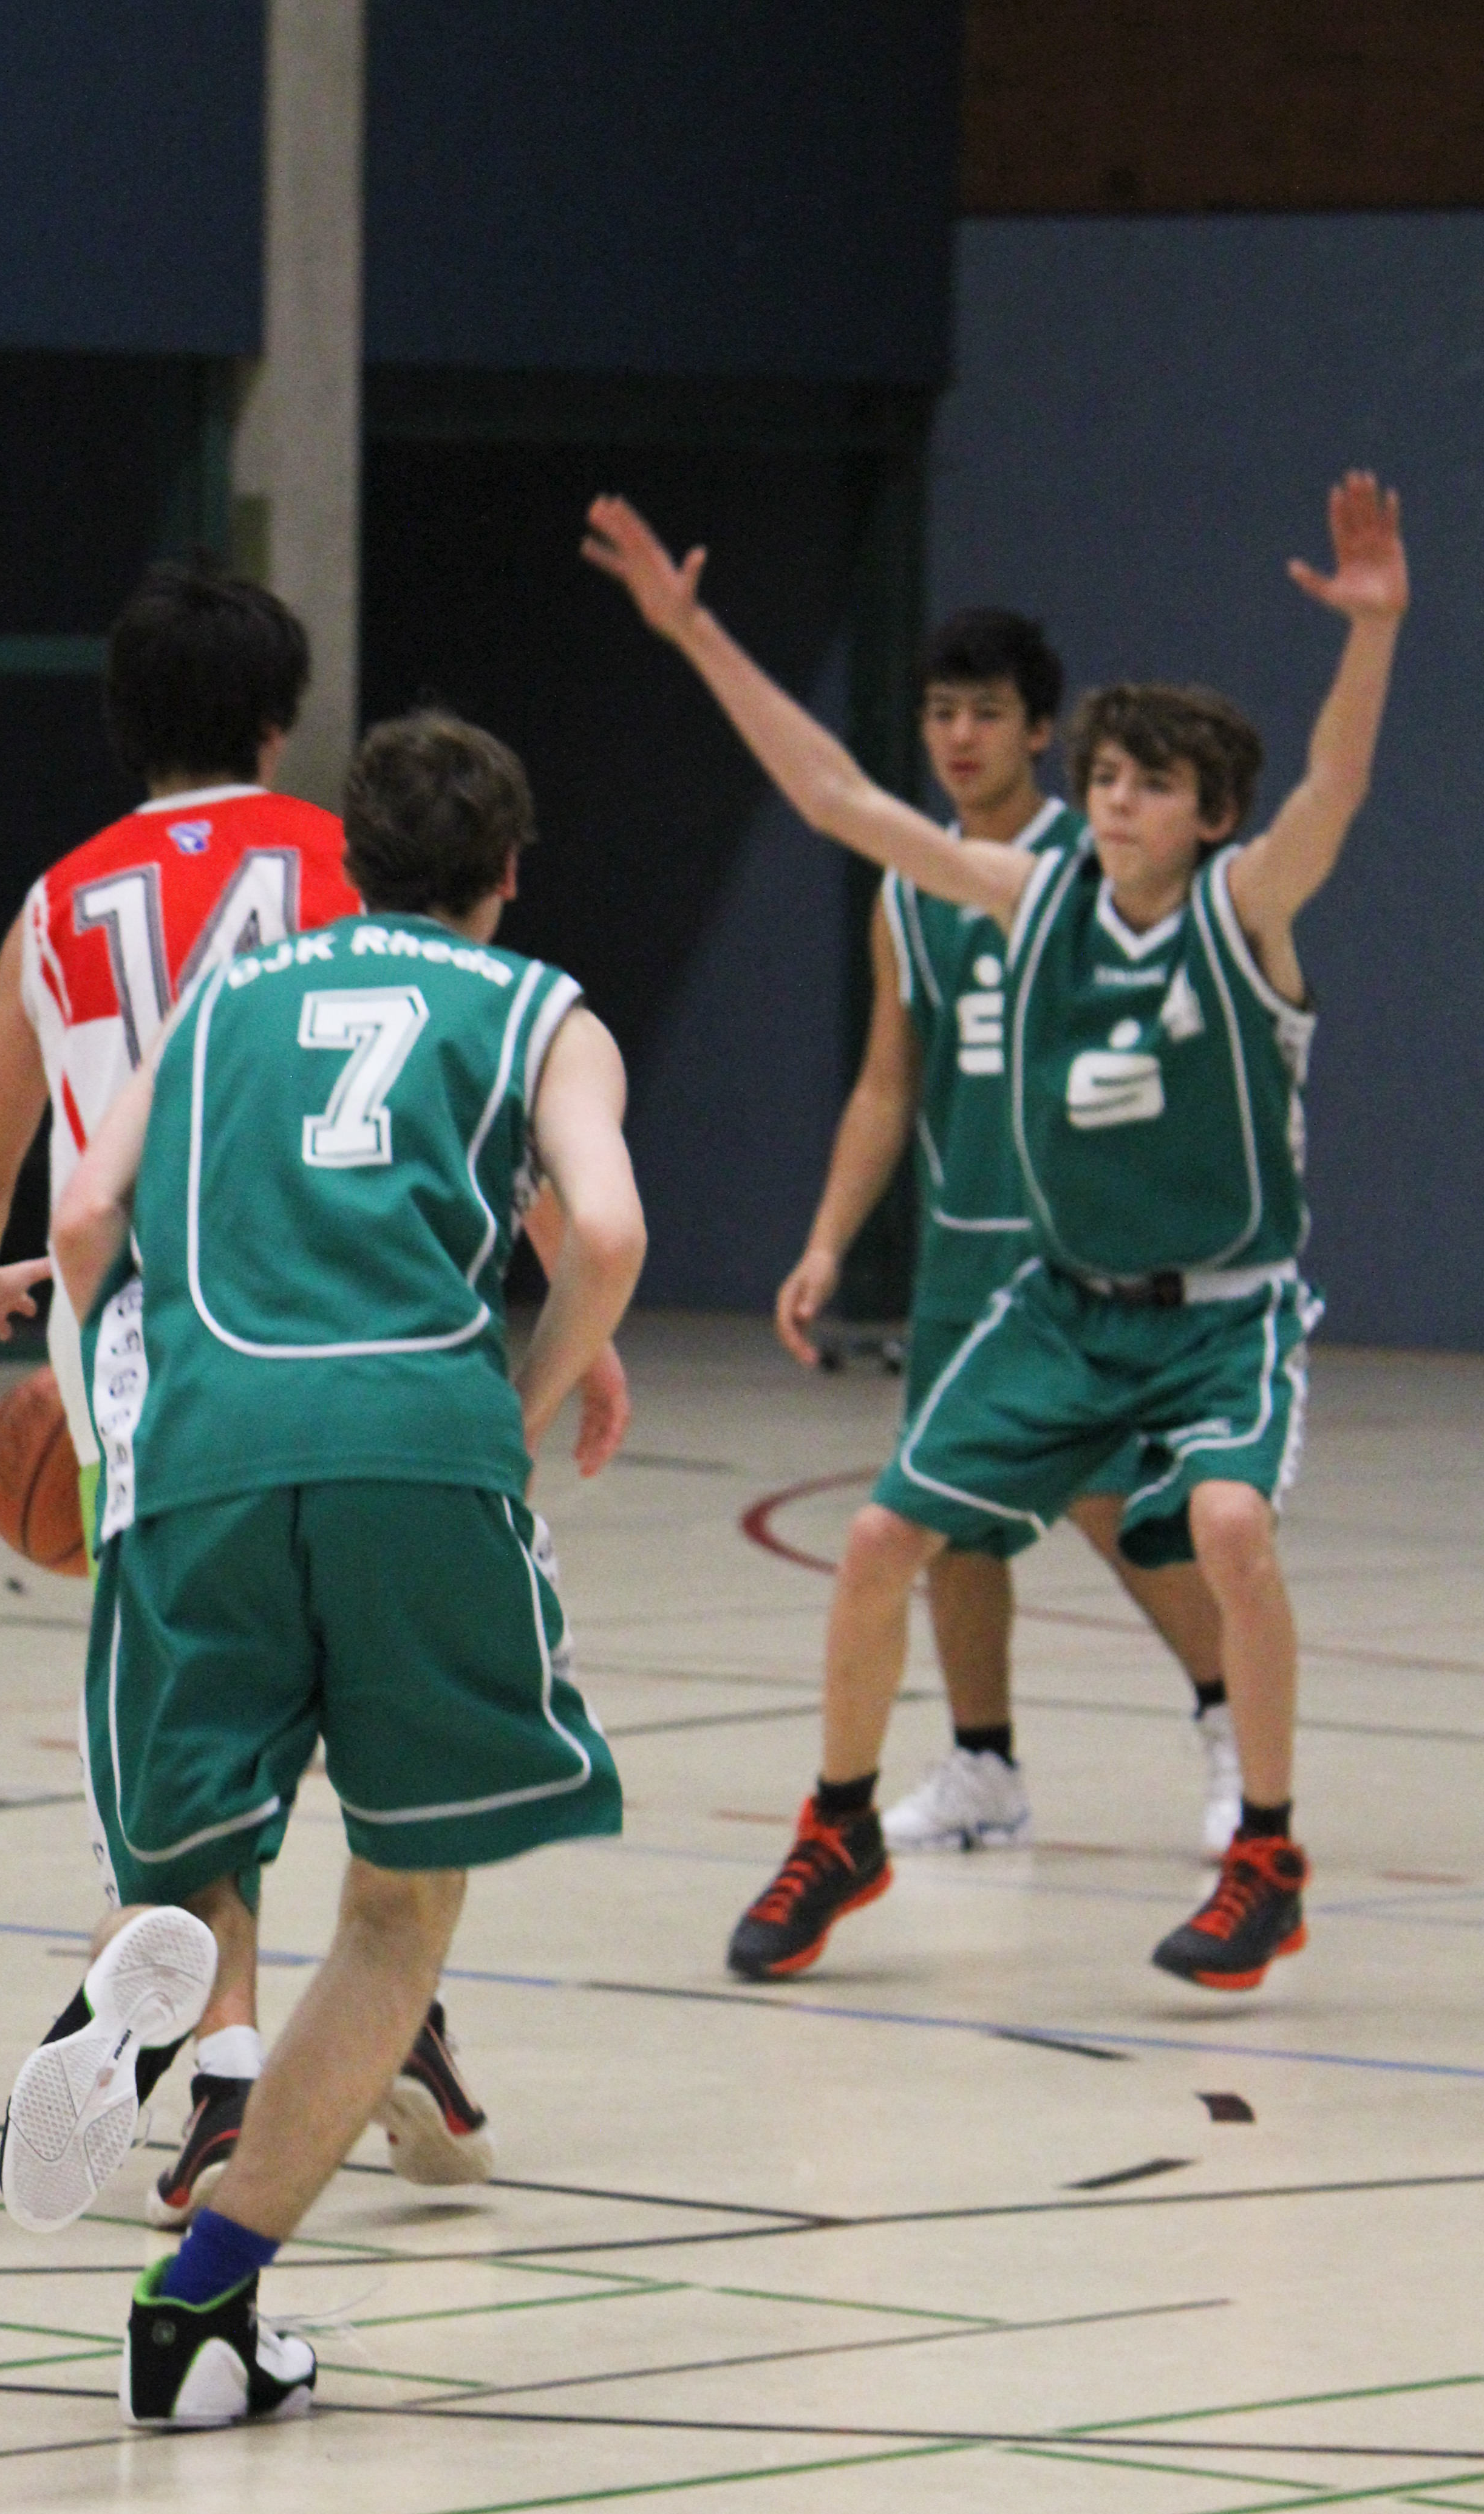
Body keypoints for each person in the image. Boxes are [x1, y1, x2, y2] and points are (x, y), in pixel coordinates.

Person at [584, 472, 1406, 1989]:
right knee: (881, 1536)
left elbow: (1337, 790)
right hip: (1066, 1304)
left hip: (1224, 1311)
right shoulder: (1031, 898)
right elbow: (840, 799)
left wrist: (1372, 632)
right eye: (1109, 777)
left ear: (1214, 815)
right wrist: (695, 635)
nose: (1118, 801)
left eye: (1153, 785)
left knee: (1228, 1527)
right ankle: (841, 1829)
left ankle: (1267, 1856)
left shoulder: (1246, 912)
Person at [0, 562, 627, 2222]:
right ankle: (391, 2031)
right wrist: (572, 1336)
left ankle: (222, 2061)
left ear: (123, 718)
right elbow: (453, 1102)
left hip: (157, 1354)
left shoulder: (58, 900)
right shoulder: (347, 867)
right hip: (370, 1327)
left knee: (194, 1761)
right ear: (279, 718)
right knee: (394, 1763)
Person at [26, 707, 644, 2426]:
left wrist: (129, 1363)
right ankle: (199, 2312)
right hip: (412, 1446)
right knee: (396, 1910)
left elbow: (79, 1219)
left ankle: (161, 1974)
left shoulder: (221, 999)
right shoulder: (541, 1008)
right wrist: (522, 1403)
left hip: (206, 1446)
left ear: (350, 862)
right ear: (508, 869)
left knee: (200, 1856)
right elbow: (604, 1232)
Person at [772, 608, 1236, 1862]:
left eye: (986, 712)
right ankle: (984, 1765)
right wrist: (826, 1241)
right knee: (949, 1518)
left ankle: (1230, 1722)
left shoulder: (1094, 864)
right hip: (963, 1250)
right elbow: (888, 1083)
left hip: (1083, 1249)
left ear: (1041, 730)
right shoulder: (907, 891)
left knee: (1114, 1497)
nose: (960, 736)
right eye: (940, 713)